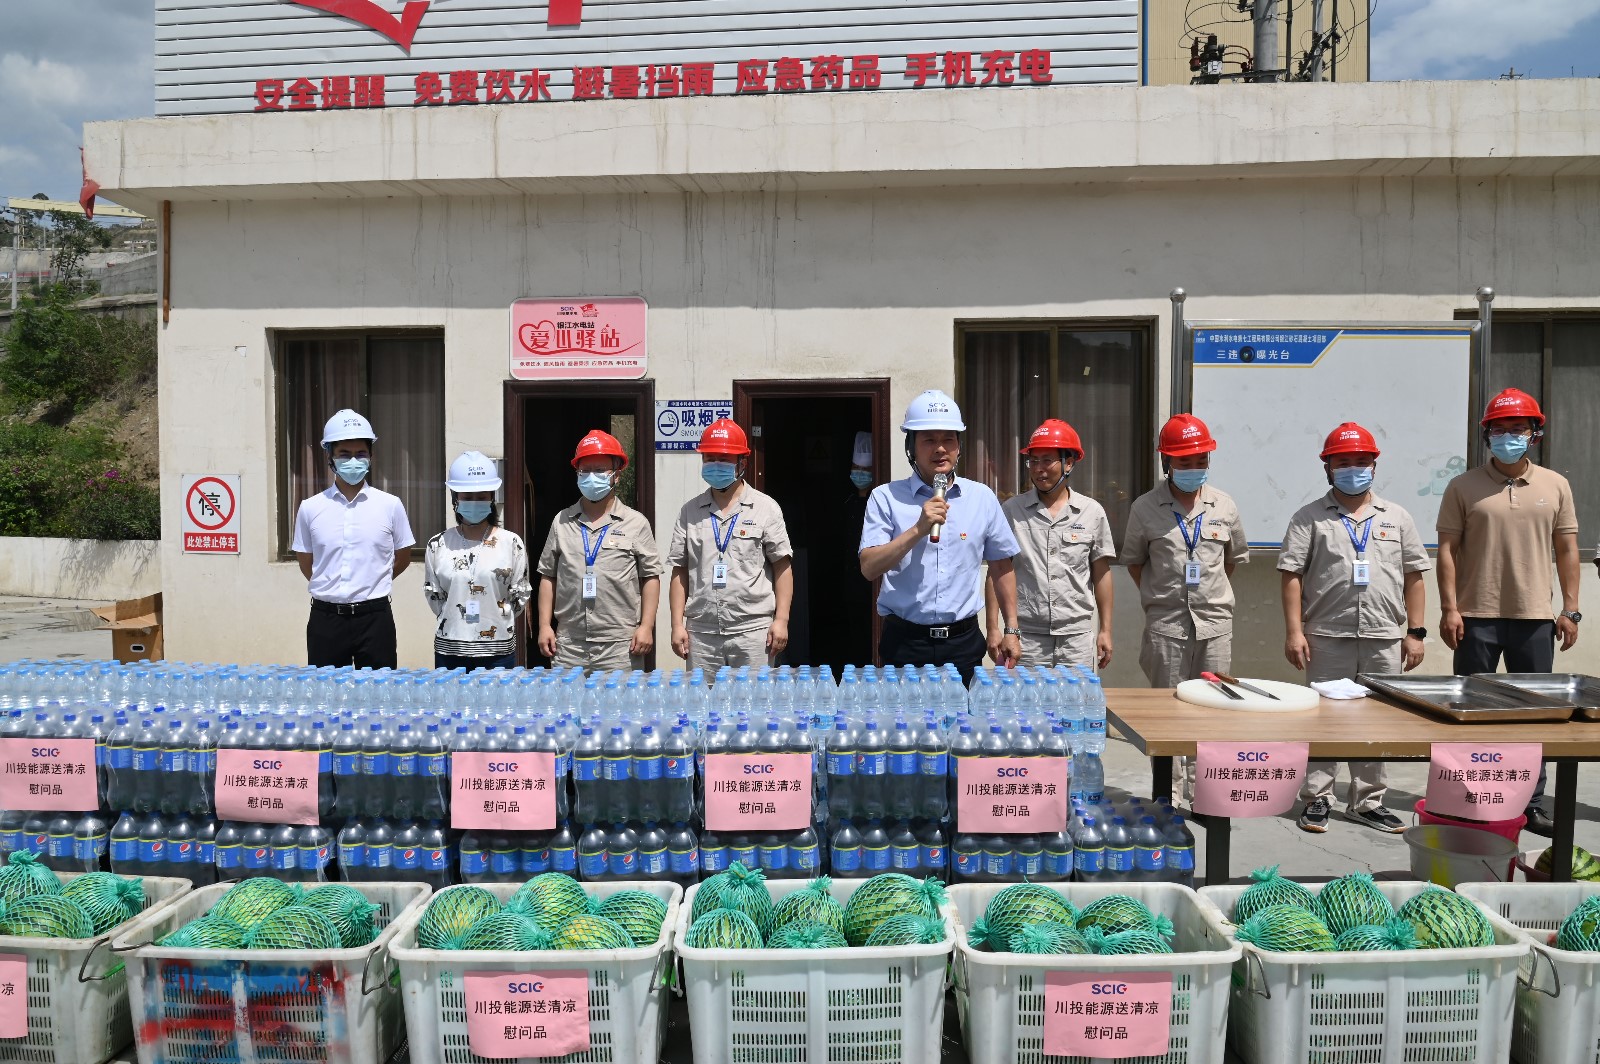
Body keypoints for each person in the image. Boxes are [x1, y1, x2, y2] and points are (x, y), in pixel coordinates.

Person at [1438, 387, 1580, 835]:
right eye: (1498, 430)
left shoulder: (1555, 485)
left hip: (1534, 618)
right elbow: (1447, 550)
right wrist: (1449, 608)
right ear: (1486, 435)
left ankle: (1530, 802)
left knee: (1534, 714)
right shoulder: (1463, 486)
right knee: (1471, 711)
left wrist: (1571, 609)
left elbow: (1567, 548)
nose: (1507, 437)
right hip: (1475, 616)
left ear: (1534, 433)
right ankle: (1468, 797)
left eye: (1517, 428)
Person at [1280, 422, 1428, 834]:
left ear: (1374, 465)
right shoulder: (1309, 518)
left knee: (1377, 721)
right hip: (1327, 635)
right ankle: (1317, 798)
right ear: (1327, 467)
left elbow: (1415, 576)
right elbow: (1291, 576)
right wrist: (1294, 631)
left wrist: (1416, 632)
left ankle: (1367, 801)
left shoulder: (1396, 517)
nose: (1353, 469)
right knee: (1324, 720)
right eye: (1343, 461)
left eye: (1361, 461)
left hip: (1384, 636)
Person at [1118, 413, 1248, 800]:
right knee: (1168, 712)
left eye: (1200, 460)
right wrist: (1161, 597)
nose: (1193, 468)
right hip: (1167, 627)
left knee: (1215, 708)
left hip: (1215, 627)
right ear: (1167, 462)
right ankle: (1170, 795)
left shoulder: (1224, 505)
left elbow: (1230, 562)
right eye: (1184, 461)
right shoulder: (1145, 508)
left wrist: (1208, 595)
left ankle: (1207, 791)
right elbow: (1135, 563)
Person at [859, 390, 1020, 683]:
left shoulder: (981, 497)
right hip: (905, 641)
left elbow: (1001, 567)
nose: (940, 449)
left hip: (963, 642)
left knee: (965, 713)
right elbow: (869, 567)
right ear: (911, 447)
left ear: (959, 447)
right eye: (929, 440)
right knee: (905, 714)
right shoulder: (885, 497)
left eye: (949, 439)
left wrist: (1010, 629)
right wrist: (918, 529)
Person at [292, 409, 415, 669]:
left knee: (379, 691)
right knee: (327, 691)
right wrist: (332, 587)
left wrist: (372, 581)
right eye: (344, 454)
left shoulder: (390, 505)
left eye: (360, 454)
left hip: (375, 618)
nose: (353, 461)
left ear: (371, 456)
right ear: (330, 457)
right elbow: (306, 563)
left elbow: (403, 557)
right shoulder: (310, 508)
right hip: (326, 619)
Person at [668, 418, 794, 668]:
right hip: (701, 634)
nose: (716, 465)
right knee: (702, 695)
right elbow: (679, 570)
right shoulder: (689, 511)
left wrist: (781, 620)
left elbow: (782, 566)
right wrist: (676, 625)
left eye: (724, 459)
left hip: (753, 631)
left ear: (742, 464)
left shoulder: (765, 508)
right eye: (709, 458)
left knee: (754, 694)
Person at [991, 418, 1115, 669]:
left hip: (1076, 639)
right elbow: (997, 572)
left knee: (1076, 696)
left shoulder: (1091, 512)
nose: (1039, 469)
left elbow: (1101, 573)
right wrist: (993, 627)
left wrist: (1105, 629)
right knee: (1027, 696)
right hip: (1027, 638)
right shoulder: (1012, 511)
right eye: (1033, 461)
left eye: (1047, 460)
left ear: (1069, 463)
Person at [535, 430, 662, 672]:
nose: (591, 477)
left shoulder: (636, 523)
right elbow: (548, 576)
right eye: (585, 470)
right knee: (567, 698)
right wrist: (544, 625)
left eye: (600, 470)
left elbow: (650, 576)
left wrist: (646, 626)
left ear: (616, 475)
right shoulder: (561, 521)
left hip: (620, 645)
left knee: (619, 699)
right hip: (569, 644)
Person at [421, 451, 531, 670]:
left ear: (491, 498)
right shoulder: (438, 544)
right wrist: (455, 618)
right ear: (455, 499)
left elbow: (520, 595)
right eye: (467, 497)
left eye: (481, 497)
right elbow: (434, 595)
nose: (474, 502)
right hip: (450, 650)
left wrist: (498, 616)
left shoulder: (511, 543)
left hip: (498, 651)